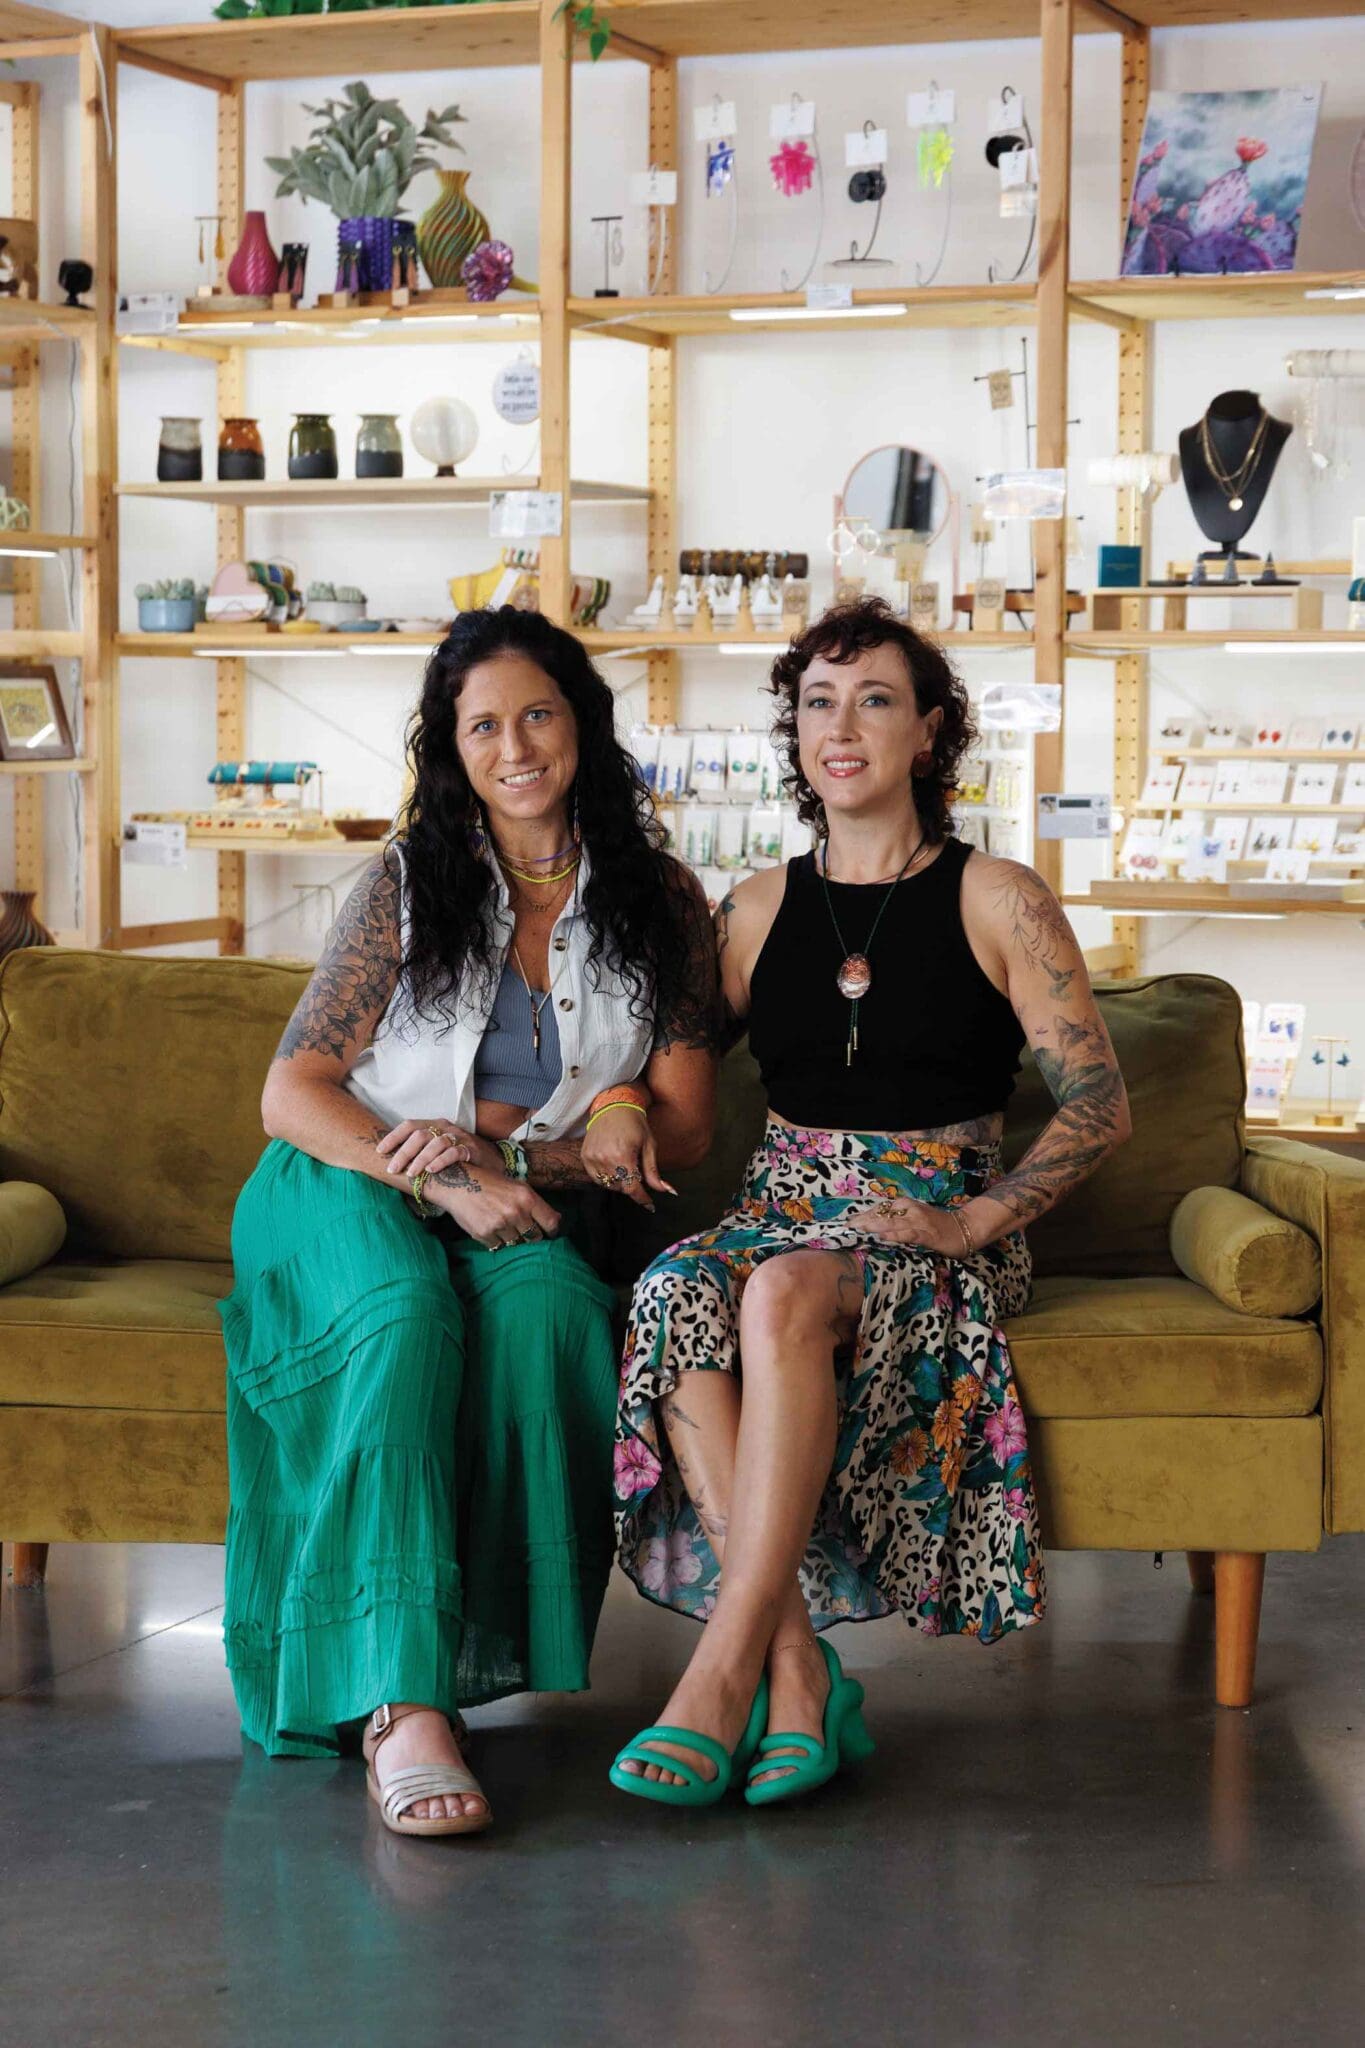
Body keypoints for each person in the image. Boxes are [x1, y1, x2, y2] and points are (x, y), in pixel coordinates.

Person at [610, 596, 1131, 1809]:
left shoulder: (999, 896)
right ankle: (800, 1675)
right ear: (795, 733)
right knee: (677, 1285)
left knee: (780, 1293)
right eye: (818, 702)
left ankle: (720, 1675)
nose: (841, 727)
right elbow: (662, 1067)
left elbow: (1101, 1102)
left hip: (937, 1221)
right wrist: (620, 1106)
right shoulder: (752, 909)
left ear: (930, 730)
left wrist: (975, 1221)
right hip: (782, 1206)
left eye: (876, 699)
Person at [220, 605, 716, 1838]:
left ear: (581, 723)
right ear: (451, 747)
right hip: (354, 1177)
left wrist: (597, 1115)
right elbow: (294, 1090)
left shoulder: (662, 898)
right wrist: (443, 1177)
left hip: (520, 1186)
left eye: (536, 714)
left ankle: (467, 1652)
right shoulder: (404, 884)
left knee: (551, 1307)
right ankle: (400, 1702)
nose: (515, 748)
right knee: (401, 1314)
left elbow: (690, 1123)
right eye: (482, 725)